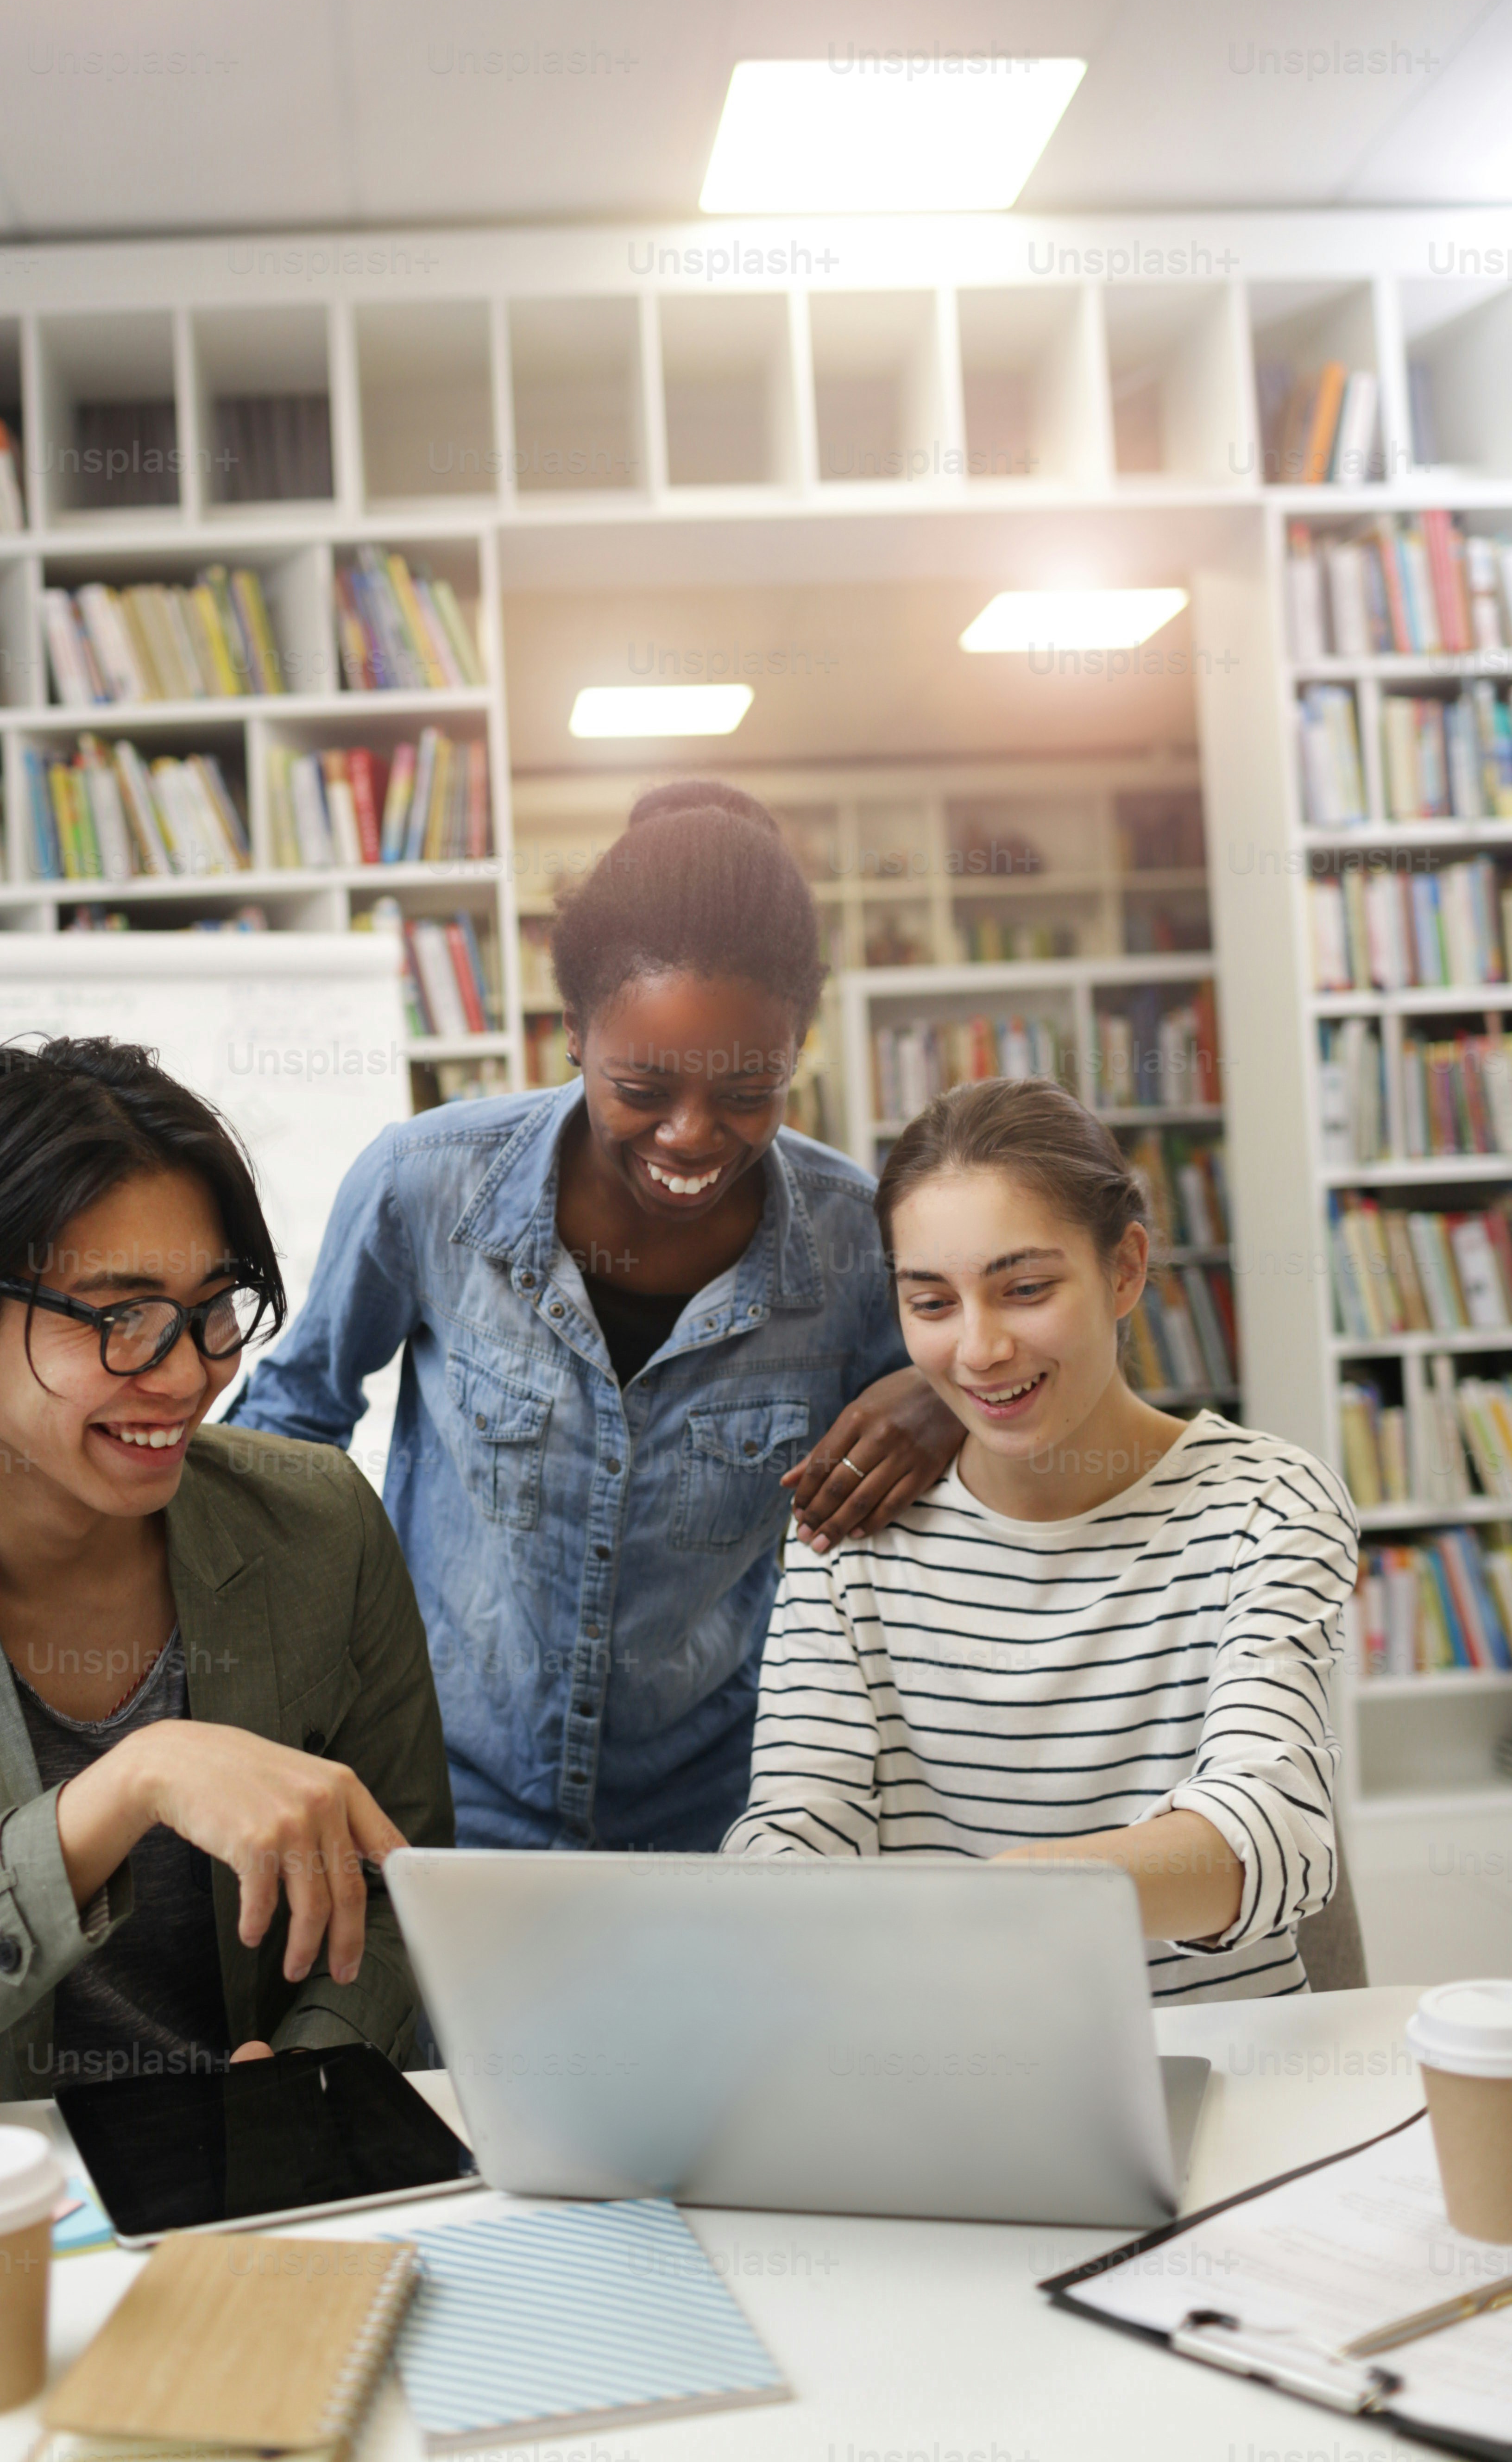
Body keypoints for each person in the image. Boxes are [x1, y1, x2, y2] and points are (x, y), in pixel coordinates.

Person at [0, 1038, 451, 2145]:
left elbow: (406, 1895)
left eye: (215, 1305)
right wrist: (125, 1788)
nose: (185, 1372)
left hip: (267, 2186)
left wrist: (308, 2072)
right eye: (118, 1318)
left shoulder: (319, 1525)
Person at [238, 783, 958, 1850]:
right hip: (438, 1784)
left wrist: (949, 1398)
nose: (693, 1136)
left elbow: (1004, 1419)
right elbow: (288, 1422)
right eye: (645, 1085)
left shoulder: (860, 1239)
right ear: (572, 1029)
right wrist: (291, 1694)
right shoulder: (425, 1187)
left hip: (722, 1805)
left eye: (749, 1091)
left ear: (799, 1044)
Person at [725, 1075, 1355, 2001]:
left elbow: (1272, 1833)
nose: (979, 1350)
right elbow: (797, 1826)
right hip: (937, 2084)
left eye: (1024, 1289)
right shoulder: (852, 1527)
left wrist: (1012, 1901)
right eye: (932, 1303)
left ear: (1126, 1270)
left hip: (1223, 2071)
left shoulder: (1267, 1505)